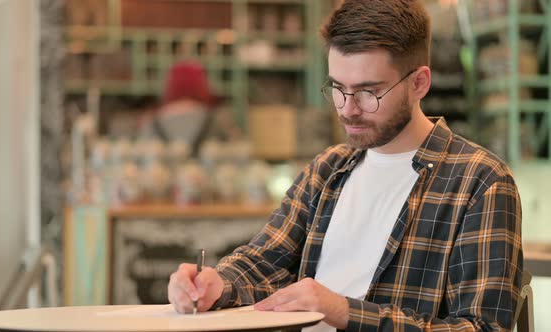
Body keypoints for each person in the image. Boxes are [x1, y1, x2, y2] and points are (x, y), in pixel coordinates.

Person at [167, 0, 523, 331]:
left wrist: (344, 311)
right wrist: (216, 283)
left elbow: (482, 326)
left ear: (419, 83)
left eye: (369, 92)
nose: (347, 109)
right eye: (338, 87)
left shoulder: (479, 182)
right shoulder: (328, 169)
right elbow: (262, 261)